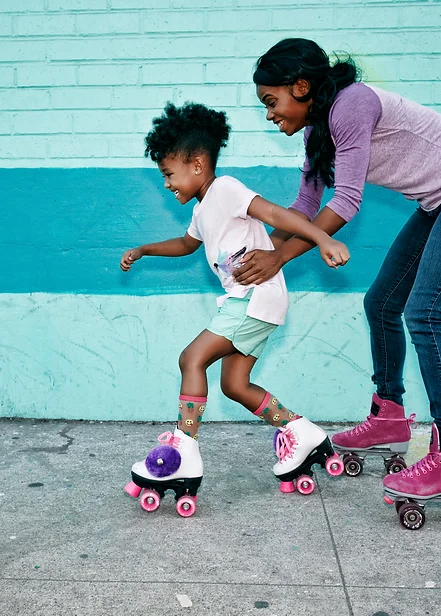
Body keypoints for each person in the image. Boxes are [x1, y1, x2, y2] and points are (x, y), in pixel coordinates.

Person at [241, 38, 441, 509]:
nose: (269, 114)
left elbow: (344, 202)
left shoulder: (352, 105)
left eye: (271, 101)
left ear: (301, 86)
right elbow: (305, 206)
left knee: (426, 314)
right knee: (382, 303)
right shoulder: (317, 132)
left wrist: (279, 259)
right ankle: (388, 416)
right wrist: (259, 245)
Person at [121, 102, 349, 516]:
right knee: (234, 386)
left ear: (198, 163)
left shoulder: (225, 189)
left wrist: (321, 238)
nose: (167, 184)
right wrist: (144, 250)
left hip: (254, 297)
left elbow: (276, 213)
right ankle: (303, 432)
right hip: (254, 301)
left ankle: (184, 452)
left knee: (191, 358)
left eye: (169, 174)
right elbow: (187, 245)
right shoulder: (202, 208)